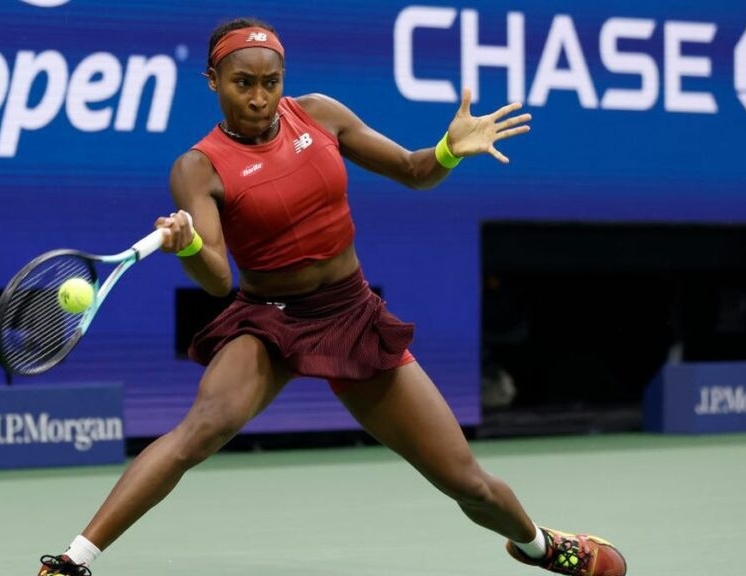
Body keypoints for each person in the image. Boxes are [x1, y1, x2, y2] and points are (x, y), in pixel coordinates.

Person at [37, 17, 627, 576]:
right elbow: (218, 280)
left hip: (350, 316)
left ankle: (541, 546)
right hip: (269, 323)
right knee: (200, 430)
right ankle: (71, 560)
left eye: (271, 82)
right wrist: (190, 244)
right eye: (243, 83)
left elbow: (414, 170)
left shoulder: (319, 115)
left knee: (464, 480)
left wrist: (447, 150)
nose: (259, 97)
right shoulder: (198, 168)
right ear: (213, 81)